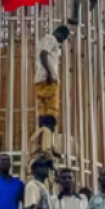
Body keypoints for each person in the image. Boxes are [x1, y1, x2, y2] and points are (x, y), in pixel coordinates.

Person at [32, 26, 70, 159]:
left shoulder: (44, 40)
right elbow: (44, 54)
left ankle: (43, 145)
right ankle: (48, 147)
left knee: (44, 114)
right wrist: (49, 73)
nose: (61, 41)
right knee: (51, 114)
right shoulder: (51, 39)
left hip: (40, 80)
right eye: (63, 38)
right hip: (49, 80)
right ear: (61, 34)